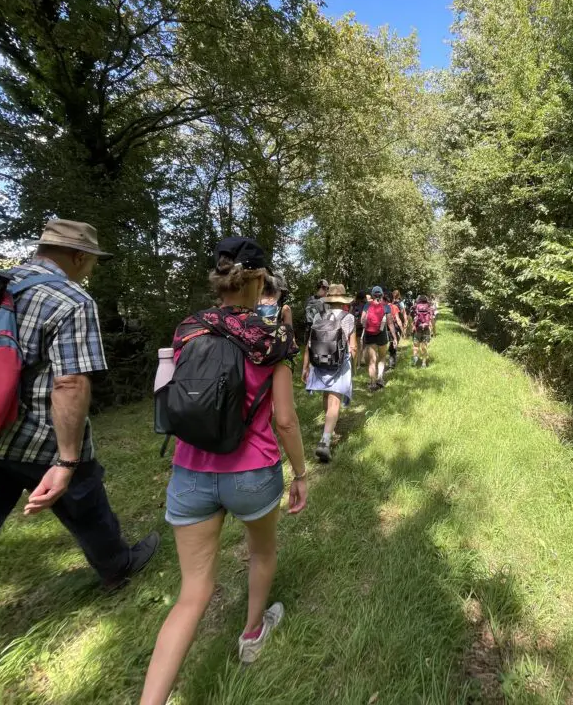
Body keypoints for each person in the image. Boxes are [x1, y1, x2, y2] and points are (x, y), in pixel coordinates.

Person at [0, 219, 160, 705]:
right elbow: (70, 383)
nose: (91, 271)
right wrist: (66, 459)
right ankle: (117, 567)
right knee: (89, 508)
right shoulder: (70, 300)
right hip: (41, 443)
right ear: (79, 258)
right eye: (92, 262)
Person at [141, 236, 307, 705]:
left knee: (191, 594)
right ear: (257, 280)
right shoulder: (272, 337)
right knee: (260, 554)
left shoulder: (188, 329)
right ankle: (252, 634)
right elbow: (286, 419)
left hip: (190, 473)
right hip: (252, 472)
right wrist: (301, 474)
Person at [301, 283, 356, 462]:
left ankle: (328, 427)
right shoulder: (348, 318)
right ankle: (325, 441)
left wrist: (305, 366)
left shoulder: (319, 315)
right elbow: (353, 347)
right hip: (339, 363)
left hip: (319, 361)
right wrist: (353, 365)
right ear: (342, 300)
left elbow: (310, 343)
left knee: (326, 396)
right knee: (335, 402)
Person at [360, 286, 392, 391]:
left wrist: (367, 325)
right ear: (382, 295)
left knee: (372, 361)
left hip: (369, 334)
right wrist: (394, 337)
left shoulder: (367, 305)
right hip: (382, 334)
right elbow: (390, 322)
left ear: (372, 295)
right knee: (382, 357)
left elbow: (362, 320)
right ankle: (380, 378)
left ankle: (372, 383)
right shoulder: (386, 306)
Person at [412, 295, 435, 368]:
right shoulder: (429, 307)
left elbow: (413, 318)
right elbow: (432, 319)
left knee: (416, 345)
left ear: (418, 300)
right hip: (426, 329)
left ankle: (415, 357)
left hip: (418, 329)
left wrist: (412, 327)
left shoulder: (415, 307)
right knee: (424, 346)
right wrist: (433, 330)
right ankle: (424, 363)